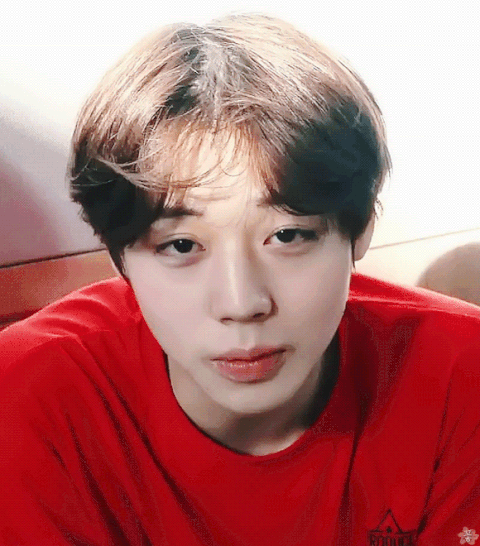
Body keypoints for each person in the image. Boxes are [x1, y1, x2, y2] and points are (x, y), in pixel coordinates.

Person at [1, 13, 479, 546]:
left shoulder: (461, 371)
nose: (241, 302)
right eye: (182, 245)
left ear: (361, 229)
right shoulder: (27, 397)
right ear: (120, 259)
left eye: (288, 236)